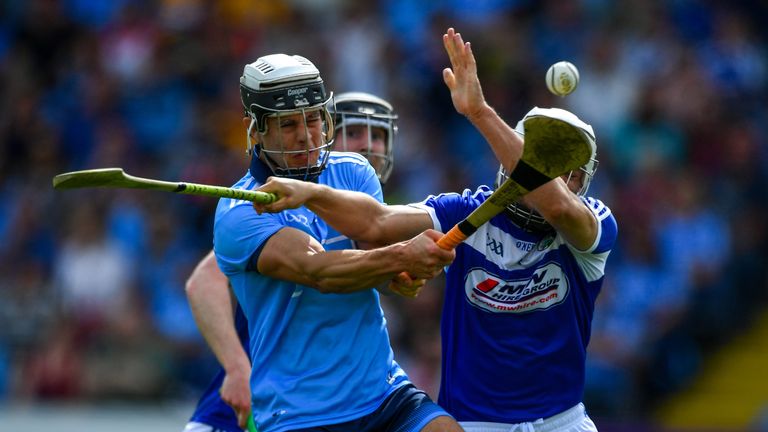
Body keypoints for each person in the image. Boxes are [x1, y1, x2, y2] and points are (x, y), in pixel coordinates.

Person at [252, 28, 618, 432]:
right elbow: (376, 222)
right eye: (542, 161)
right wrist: (310, 192)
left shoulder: (593, 226)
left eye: (569, 172)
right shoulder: (465, 211)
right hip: (475, 423)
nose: (557, 179)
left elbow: (557, 206)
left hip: (563, 422)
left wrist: (479, 112)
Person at [203, 52, 464, 432]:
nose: (306, 135)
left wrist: (397, 276)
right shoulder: (239, 214)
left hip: (382, 390)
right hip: (300, 410)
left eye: (313, 119)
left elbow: (374, 248)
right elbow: (320, 272)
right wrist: (402, 256)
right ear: (255, 129)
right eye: (288, 124)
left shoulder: (354, 172)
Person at [184, 90, 407, 432]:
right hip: (259, 395)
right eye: (353, 133)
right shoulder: (271, 206)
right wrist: (237, 367)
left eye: (377, 136)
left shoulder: (364, 204)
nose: (367, 146)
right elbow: (203, 282)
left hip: (339, 400)